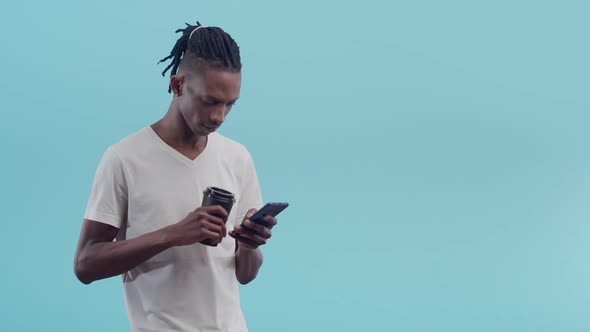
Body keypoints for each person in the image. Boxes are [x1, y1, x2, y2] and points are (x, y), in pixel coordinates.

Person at [73, 21, 278, 332]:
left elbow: (245, 274)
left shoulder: (237, 157)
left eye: (229, 105)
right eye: (209, 101)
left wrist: (249, 245)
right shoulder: (124, 158)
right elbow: (85, 264)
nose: (219, 116)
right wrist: (172, 235)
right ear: (178, 85)